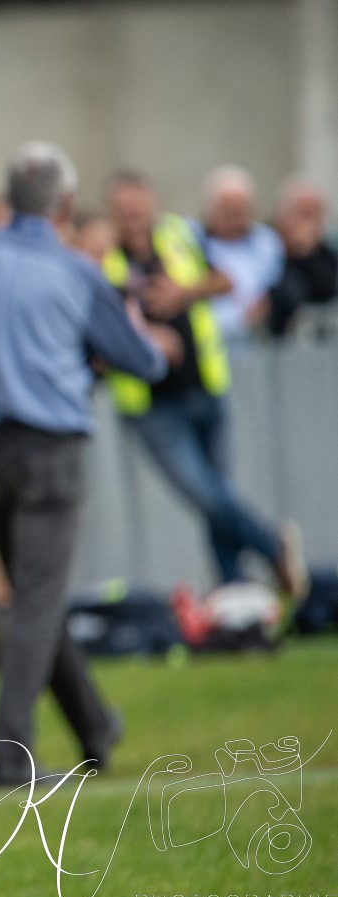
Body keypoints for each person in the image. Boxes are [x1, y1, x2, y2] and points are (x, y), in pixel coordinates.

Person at [0, 142, 167, 786]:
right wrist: (143, 337)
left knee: (36, 595)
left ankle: (94, 726)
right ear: (66, 205)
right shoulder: (78, 271)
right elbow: (142, 362)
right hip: (49, 447)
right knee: (37, 597)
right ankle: (10, 756)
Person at [103, 170, 307, 599]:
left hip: (207, 386)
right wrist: (141, 339)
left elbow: (225, 281)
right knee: (206, 495)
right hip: (151, 405)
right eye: (124, 212)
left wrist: (185, 292)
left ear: (152, 204)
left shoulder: (179, 237)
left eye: (138, 208)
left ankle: (235, 594)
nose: (133, 218)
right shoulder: (106, 260)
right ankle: (272, 545)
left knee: (219, 497)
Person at [193, 165, 284, 345]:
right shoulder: (191, 239)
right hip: (208, 342)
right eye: (227, 210)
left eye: (240, 211)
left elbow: (276, 285)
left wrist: (268, 304)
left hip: (257, 341)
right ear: (210, 208)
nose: (234, 218)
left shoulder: (267, 242)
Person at [269, 176, 338, 337]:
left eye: (314, 217)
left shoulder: (327, 255)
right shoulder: (266, 247)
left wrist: (307, 253)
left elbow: (325, 294)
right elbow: (286, 301)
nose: (308, 225)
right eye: (302, 214)